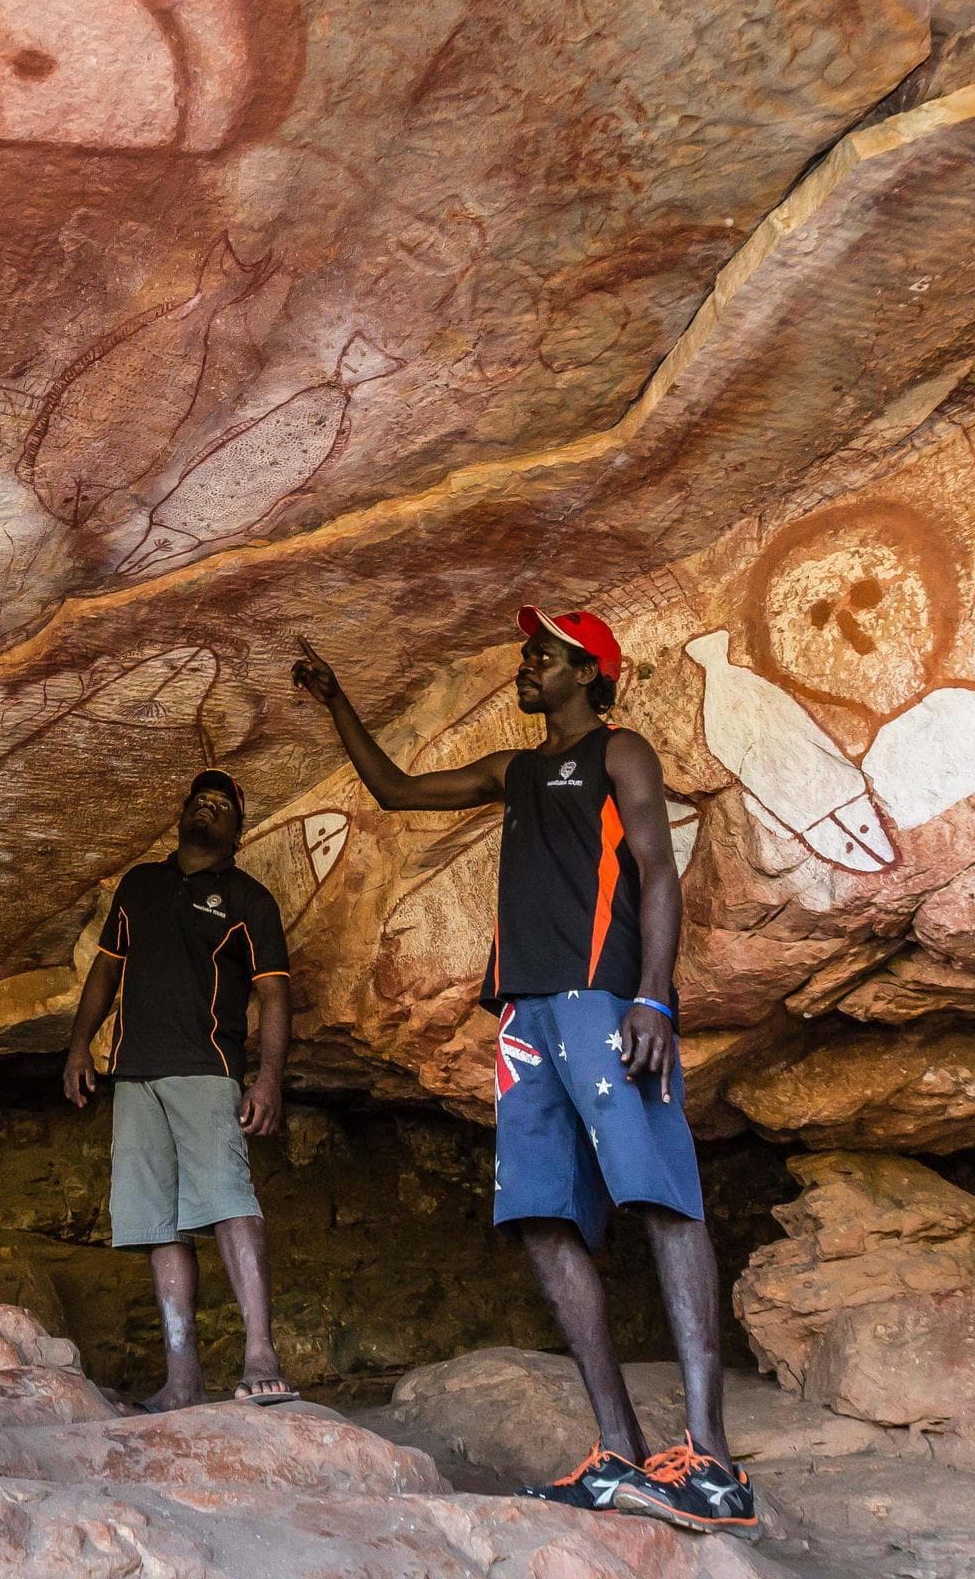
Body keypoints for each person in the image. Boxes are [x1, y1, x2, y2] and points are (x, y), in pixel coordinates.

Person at [292, 609, 757, 1535]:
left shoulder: (621, 752)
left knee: (662, 1197)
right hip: (523, 1015)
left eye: (543, 654)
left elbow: (661, 874)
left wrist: (654, 998)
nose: (525, 663)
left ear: (591, 672)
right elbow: (394, 790)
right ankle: (617, 1454)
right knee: (541, 1218)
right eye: (525, 652)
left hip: (603, 1000)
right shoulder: (517, 772)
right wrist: (338, 701)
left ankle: (712, 1464)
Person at [61, 769, 297, 1411]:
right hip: (134, 1073)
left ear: (238, 833)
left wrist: (268, 1078)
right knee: (158, 1222)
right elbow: (106, 972)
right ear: (182, 813)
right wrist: (80, 1045)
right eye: (201, 799)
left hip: (207, 1067)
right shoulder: (139, 885)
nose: (208, 808)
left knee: (227, 1200)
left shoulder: (250, 900)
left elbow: (275, 993)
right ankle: (183, 1380)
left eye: (223, 806)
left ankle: (260, 1356)